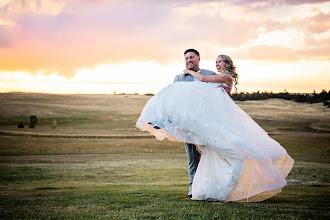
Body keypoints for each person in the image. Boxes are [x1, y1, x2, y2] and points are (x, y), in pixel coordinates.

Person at [136, 52, 294, 202]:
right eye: (216, 62)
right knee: (209, 154)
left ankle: (223, 190)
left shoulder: (225, 77)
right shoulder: (217, 77)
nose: (217, 64)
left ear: (227, 63)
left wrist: (189, 73)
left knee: (229, 153)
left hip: (217, 120)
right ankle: (164, 121)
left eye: (220, 61)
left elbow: (204, 79)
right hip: (210, 117)